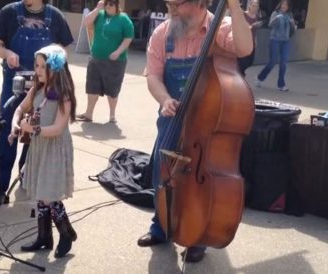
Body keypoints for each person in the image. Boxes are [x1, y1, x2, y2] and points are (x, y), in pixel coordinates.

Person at [140, 0, 253, 263]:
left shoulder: (220, 28)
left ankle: (198, 234)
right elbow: (153, 77)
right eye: (168, 3)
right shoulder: (162, 33)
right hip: (172, 117)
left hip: (207, 122)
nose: (171, 9)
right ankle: (162, 226)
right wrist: (164, 99)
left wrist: (235, 8)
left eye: (177, 3)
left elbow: (245, 48)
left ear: (200, 2)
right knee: (162, 171)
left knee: (199, 181)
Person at [0, 0, 73, 194]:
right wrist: (7, 53)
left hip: (45, 87)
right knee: (6, 133)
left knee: (36, 132)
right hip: (14, 82)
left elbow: (63, 50)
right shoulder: (9, 12)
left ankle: (28, 181)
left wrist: (52, 67)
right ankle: (0, 187)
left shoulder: (56, 16)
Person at [9, 44, 77, 258]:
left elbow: (58, 127)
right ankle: (44, 237)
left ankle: (67, 233)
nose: (37, 70)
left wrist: (34, 128)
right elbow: (21, 108)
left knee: (49, 194)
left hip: (54, 148)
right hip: (39, 146)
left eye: (42, 66)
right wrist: (15, 124)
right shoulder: (38, 88)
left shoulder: (63, 94)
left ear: (55, 68)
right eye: (36, 65)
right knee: (41, 193)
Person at [76, 0, 134, 124]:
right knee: (92, 86)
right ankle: (88, 113)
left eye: (111, 4)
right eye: (106, 3)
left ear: (117, 5)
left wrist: (118, 52)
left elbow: (128, 38)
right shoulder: (100, 15)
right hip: (96, 57)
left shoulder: (123, 19)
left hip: (115, 61)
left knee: (112, 88)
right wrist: (97, 9)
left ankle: (112, 115)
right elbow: (86, 23)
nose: (108, 6)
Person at [255, 0, 296, 92]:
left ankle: (281, 85)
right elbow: (270, 24)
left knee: (283, 63)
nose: (284, 6)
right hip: (275, 40)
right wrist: (276, 18)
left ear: (288, 6)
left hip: (285, 41)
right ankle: (260, 78)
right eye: (283, 4)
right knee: (273, 62)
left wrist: (293, 23)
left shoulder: (289, 15)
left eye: (286, 5)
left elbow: (293, 29)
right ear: (280, 5)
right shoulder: (275, 13)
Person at [237, 0, 264, 76]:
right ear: (249, 6)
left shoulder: (257, 17)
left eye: (256, 6)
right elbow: (240, 27)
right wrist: (252, 26)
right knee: (242, 61)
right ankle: (240, 74)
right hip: (243, 41)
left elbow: (255, 31)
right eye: (253, 5)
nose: (255, 8)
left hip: (252, 41)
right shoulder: (244, 15)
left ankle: (241, 72)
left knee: (250, 61)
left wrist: (255, 40)